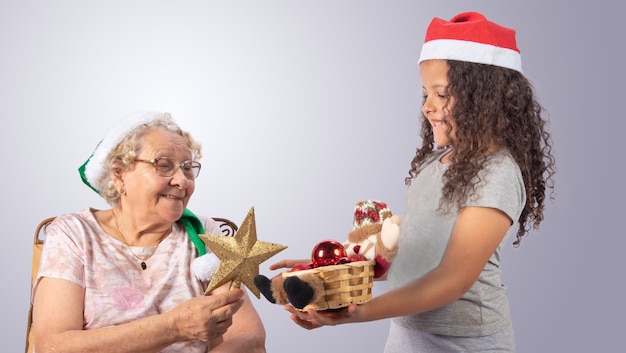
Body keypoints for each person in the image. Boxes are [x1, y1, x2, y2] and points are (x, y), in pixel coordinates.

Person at [271, 11, 556, 352]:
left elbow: (452, 278)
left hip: (466, 343)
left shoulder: (497, 174)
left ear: (487, 98)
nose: (428, 107)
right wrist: (325, 269)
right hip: (408, 334)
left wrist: (360, 314)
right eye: (425, 94)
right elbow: (412, 257)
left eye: (442, 94)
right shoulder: (435, 163)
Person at [31, 111, 266, 352]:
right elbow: (52, 346)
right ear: (119, 175)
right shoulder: (74, 234)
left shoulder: (204, 233)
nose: (182, 181)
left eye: (187, 168)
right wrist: (173, 326)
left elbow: (249, 338)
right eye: (164, 165)